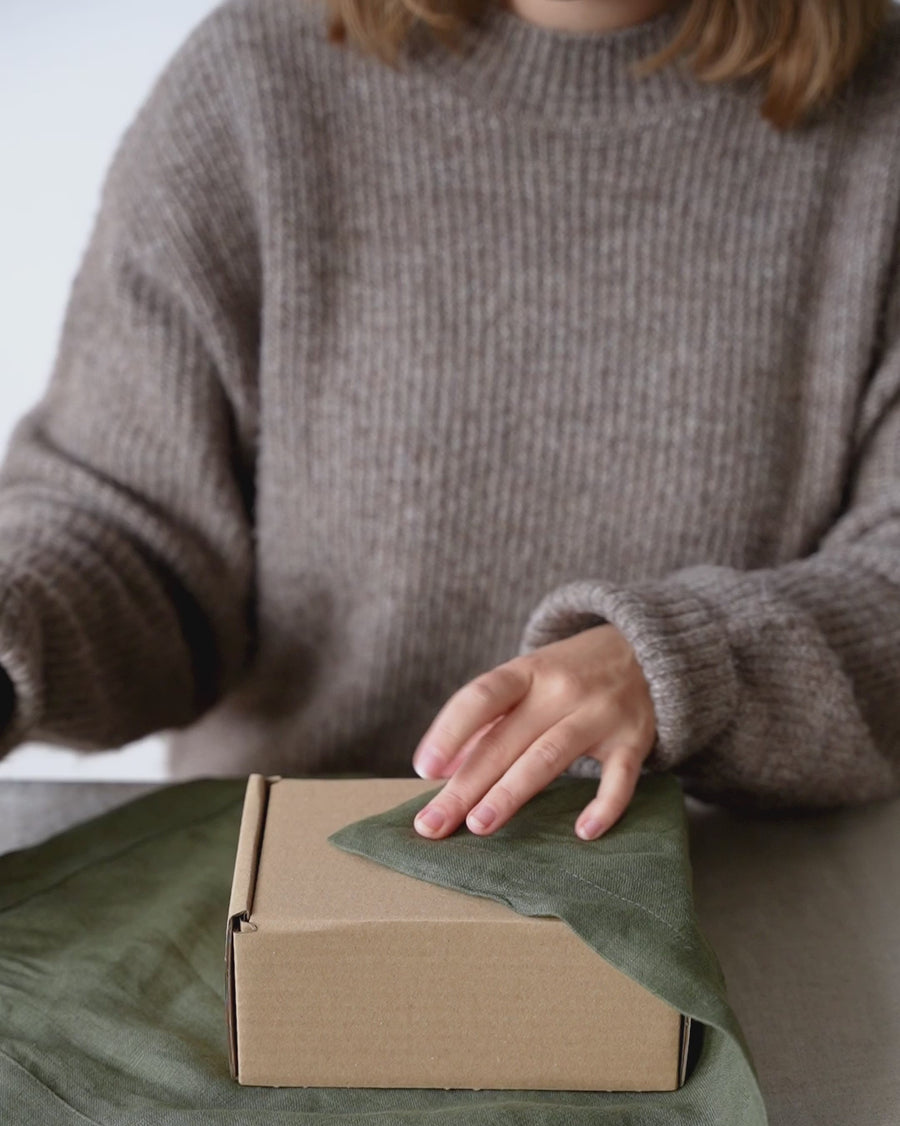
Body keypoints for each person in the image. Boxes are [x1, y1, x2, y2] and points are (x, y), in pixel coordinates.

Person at [0, 0, 897, 847]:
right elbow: (128, 525)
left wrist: (689, 669)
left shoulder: (881, 118)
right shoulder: (256, 85)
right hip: (285, 893)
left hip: (739, 911)